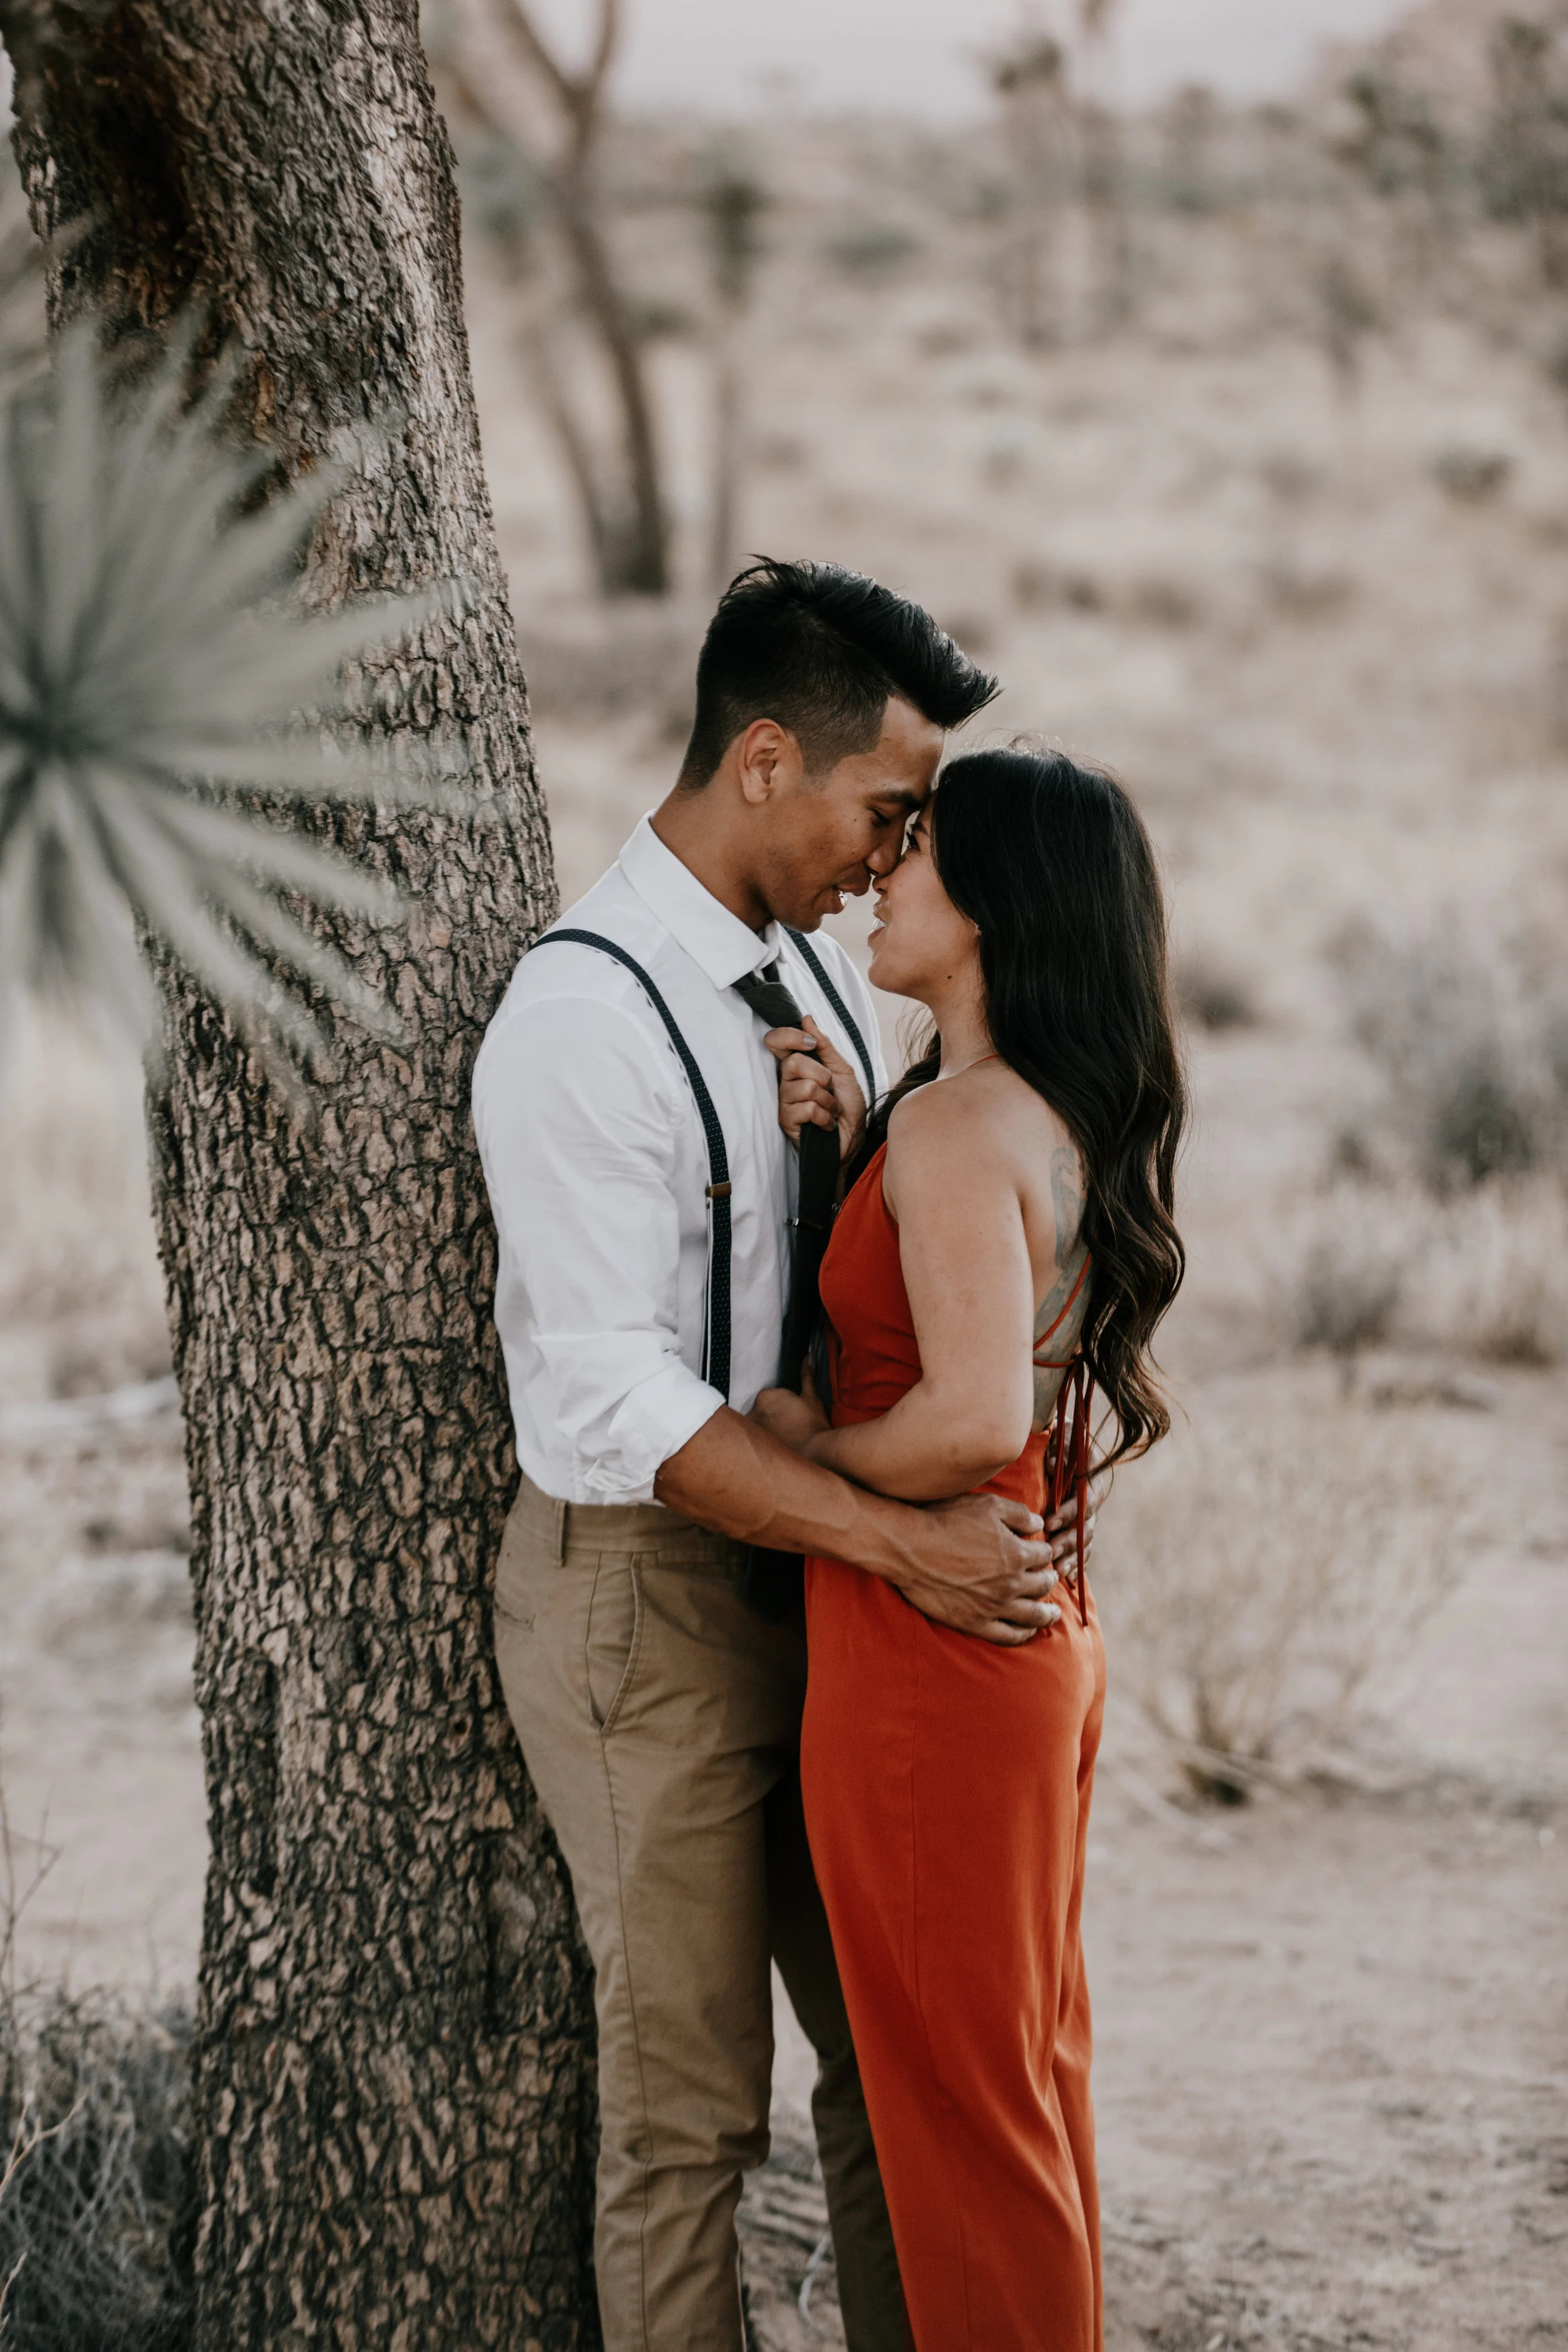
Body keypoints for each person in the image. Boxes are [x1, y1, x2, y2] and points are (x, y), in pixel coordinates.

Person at [471, 564, 1096, 2352]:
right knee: (687, 2118)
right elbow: (613, 1396)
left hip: (835, 1588)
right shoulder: (579, 1019)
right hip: (643, 1610)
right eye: (882, 811)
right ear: (763, 758)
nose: (893, 857)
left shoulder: (822, 958)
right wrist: (900, 1541)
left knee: (897, 2075)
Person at [753, 748, 1187, 2352]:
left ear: (993, 903)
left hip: (930, 1646)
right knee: (1022, 2091)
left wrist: (804, 1451)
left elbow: (960, 1418)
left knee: (960, 2118)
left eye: (916, 847)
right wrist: (862, 1150)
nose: (879, 872)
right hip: (1027, 1635)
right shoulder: (1020, 1116)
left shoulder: (956, 1131)